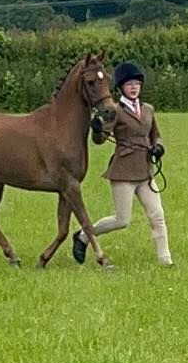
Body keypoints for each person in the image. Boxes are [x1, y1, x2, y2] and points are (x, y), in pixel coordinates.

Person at [72, 62, 173, 267]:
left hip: (145, 171)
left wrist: (159, 148)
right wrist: (97, 128)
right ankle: (83, 236)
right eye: (129, 84)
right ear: (121, 88)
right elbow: (100, 140)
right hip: (124, 171)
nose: (134, 87)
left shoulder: (148, 110)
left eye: (137, 83)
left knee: (157, 216)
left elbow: (156, 136)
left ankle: (166, 261)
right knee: (121, 220)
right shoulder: (115, 111)